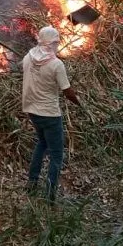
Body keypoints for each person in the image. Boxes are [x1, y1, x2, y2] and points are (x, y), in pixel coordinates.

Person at [23, 26, 81, 202]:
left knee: (41, 143)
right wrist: (79, 102)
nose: (57, 45)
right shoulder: (56, 64)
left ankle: (32, 183)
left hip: (31, 110)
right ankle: (50, 195)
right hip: (49, 114)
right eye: (56, 42)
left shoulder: (28, 57)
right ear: (53, 43)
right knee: (57, 154)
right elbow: (68, 92)